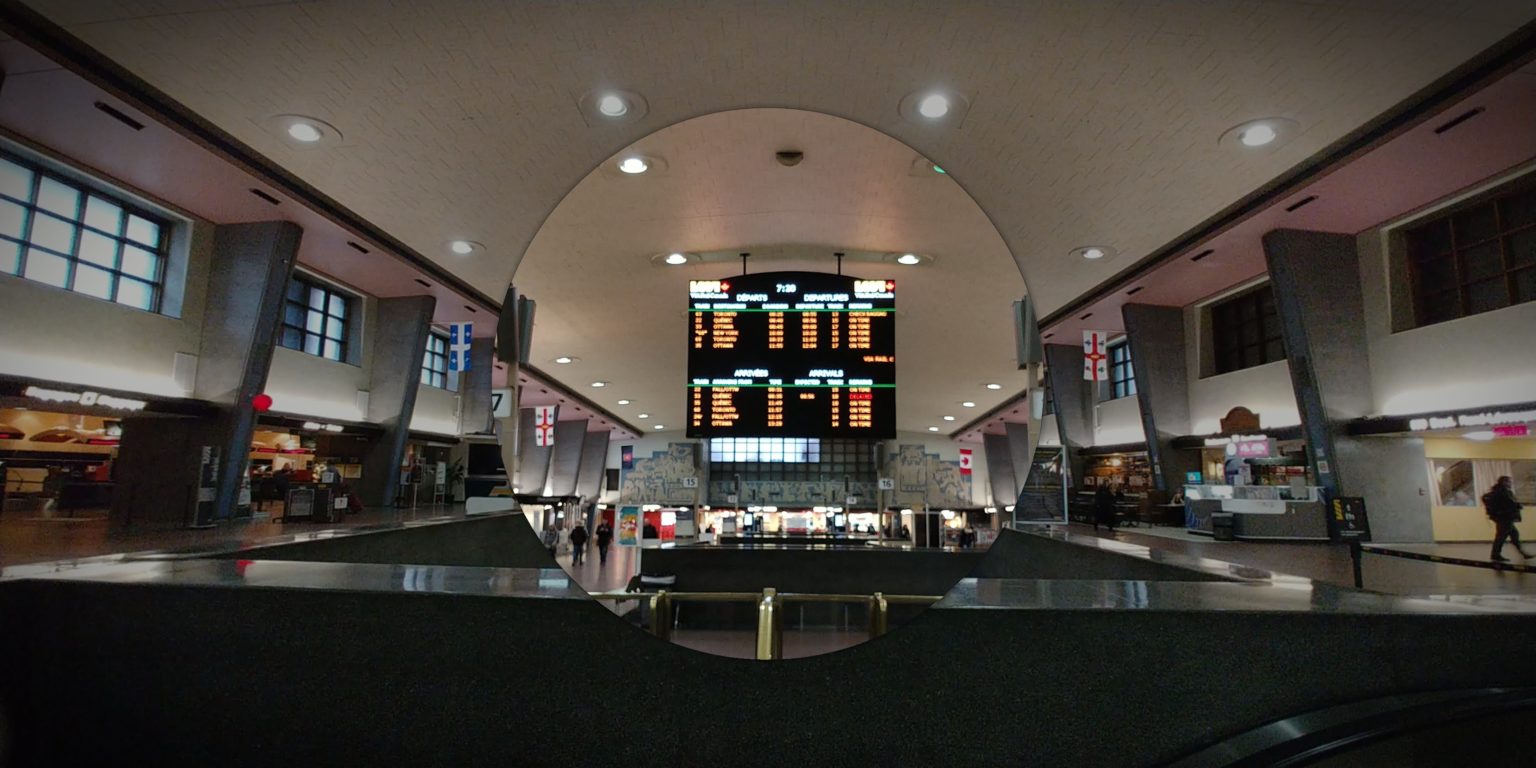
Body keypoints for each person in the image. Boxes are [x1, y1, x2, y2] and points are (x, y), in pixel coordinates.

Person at [1484, 475, 1530, 562]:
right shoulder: (1503, 492)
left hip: (1502, 517)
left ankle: (1523, 553)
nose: (1510, 483)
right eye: (1509, 482)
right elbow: (1509, 503)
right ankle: (1495, 555)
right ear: (1504, 482)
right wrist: (1518, 506)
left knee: (1513, 535)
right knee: (1502, 537)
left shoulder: (1497, 491)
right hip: (1505, 518)